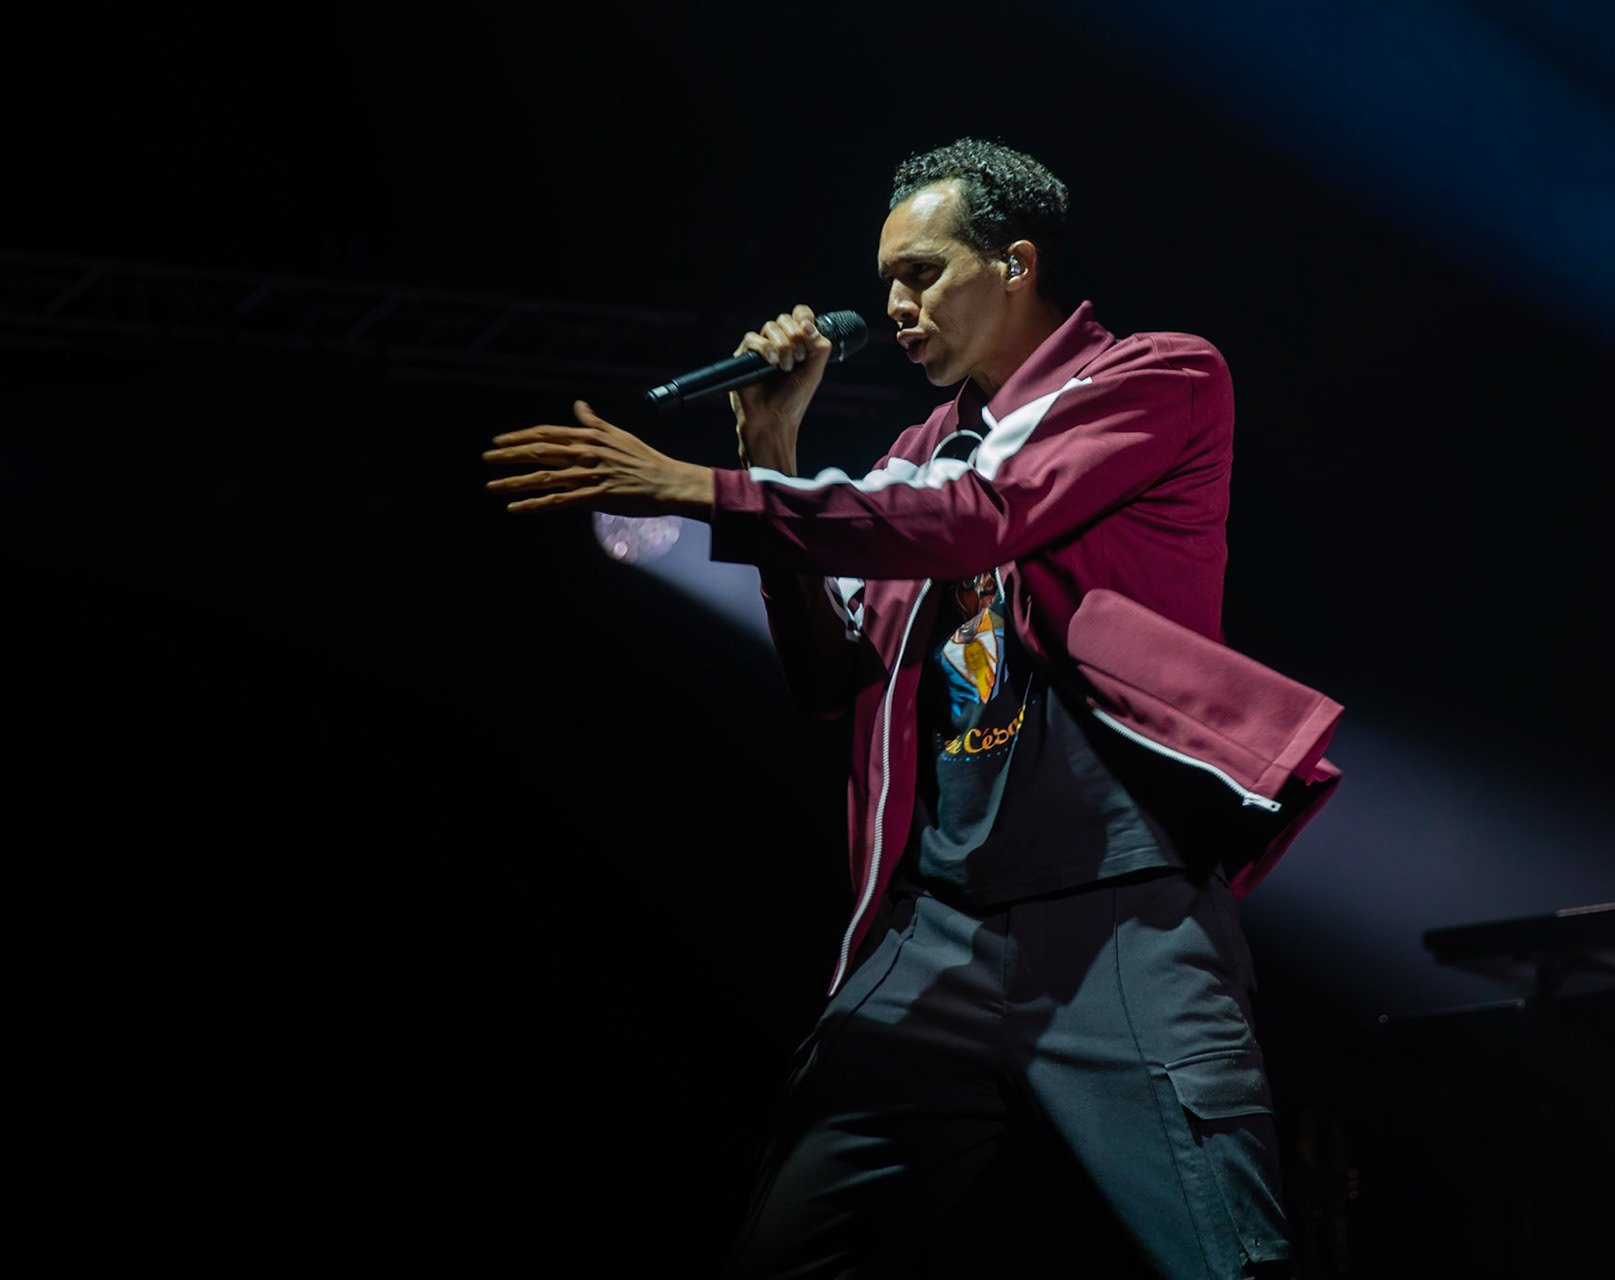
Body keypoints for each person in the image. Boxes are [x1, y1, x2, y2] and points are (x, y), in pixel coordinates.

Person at [486, 139, 1341, 1279]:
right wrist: (769, 443)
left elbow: (982, 516)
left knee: (1236, 1264)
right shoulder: (912, 458)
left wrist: (698, 488)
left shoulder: (1160, 377)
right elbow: (828, 675)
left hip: (1120, 918)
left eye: (924, 272)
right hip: (937, 926)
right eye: (886, 279)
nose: (894, 305)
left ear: (1016, 264)